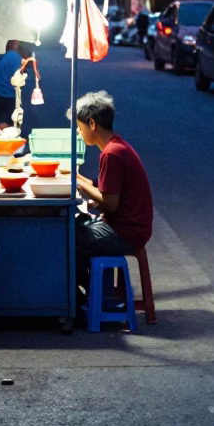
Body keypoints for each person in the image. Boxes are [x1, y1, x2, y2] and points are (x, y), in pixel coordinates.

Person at [71, 90, 154, 291]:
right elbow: (107, 191)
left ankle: (85, 298)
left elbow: (109, 204)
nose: (79, 133)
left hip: (127, 232)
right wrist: (75, 176)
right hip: (130, 227)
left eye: (80, 128)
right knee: (72, 228)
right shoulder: (117, 146)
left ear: (91, 123)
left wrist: (80, 185)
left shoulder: (111, 154)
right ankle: (94, 294)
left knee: (66, 238)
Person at [0, 40, 34, 128]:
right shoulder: (18, 59)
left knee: (1, 112)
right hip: (4, 92)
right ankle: (3, 135)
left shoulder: (10, 54)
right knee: (6, 115)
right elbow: (17, 78)